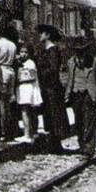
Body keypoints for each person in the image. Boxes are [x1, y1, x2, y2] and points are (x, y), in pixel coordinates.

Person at [65, 36, 96, 157]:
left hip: (89, 95)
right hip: (76, 95)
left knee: (90, 122)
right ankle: (82, 145)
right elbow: (69, 79)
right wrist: (68, 94)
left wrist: (94, 91)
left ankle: (89, 148)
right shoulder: (71, 62)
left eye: (82, 51)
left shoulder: (94, 61)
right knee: (79, 122)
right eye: (78, 51)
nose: (80, 54)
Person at [37, 23, 67, 153]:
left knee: (54, 114)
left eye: (42, 33)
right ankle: (53, 143)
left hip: (52, 88)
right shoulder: (46, 50)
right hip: (47, 87)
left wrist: (41, 73)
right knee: (49, 115)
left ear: (47, 35)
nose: (39, 35)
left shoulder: (53, 50)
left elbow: (53, 69)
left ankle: (55, 144)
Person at [0, 26, 18, 142]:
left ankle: (3, 131)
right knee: (9, 103)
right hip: (11, 71)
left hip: (1, 71)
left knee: (2, 102)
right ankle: (11, 129)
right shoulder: (13, 45)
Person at [15, 45, 43, 143]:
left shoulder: (30, 63)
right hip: (25, 88)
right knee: (30, 111)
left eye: (26, 52)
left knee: (25, 111)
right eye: (22, 52)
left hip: (27, 87)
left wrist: (19, 79)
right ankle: (33, 132)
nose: (23, 54)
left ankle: (27, 134)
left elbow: (32, 76)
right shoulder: (21, 63)